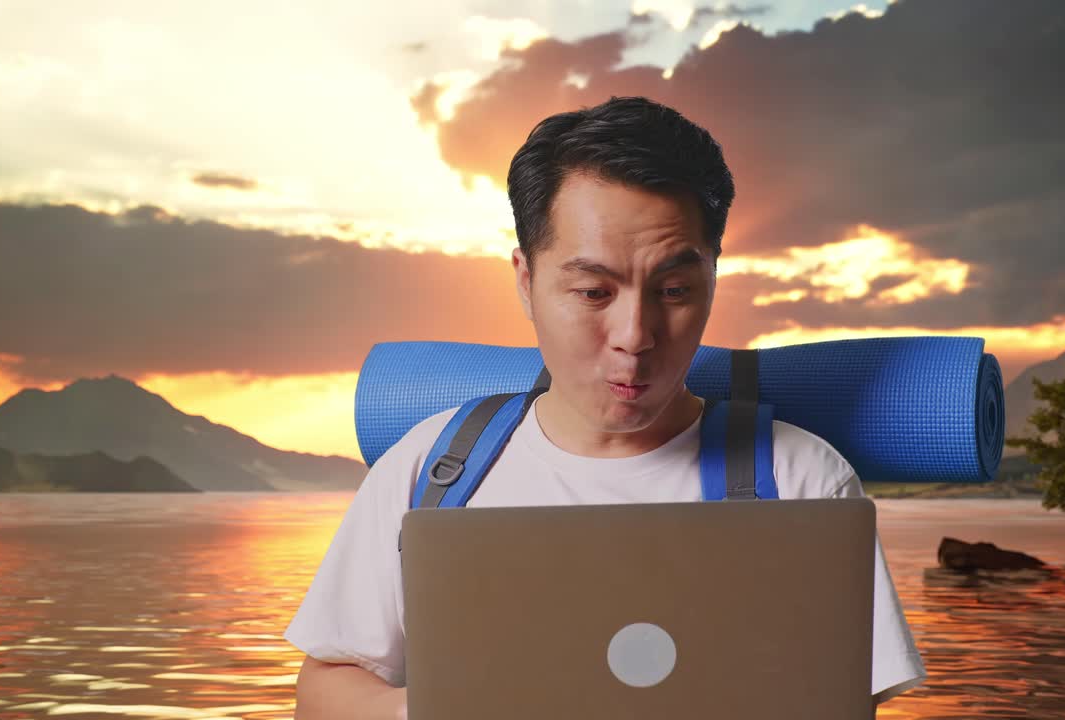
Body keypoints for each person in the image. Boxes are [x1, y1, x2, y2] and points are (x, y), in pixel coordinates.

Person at [284, 95, 927, 720]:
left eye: (674, 289)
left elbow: (840, 704)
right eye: (593, 291)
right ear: (527, 281)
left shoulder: (803, 483)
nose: (635, 334)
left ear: (712, 279)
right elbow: (324, 692)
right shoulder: (434, 466)